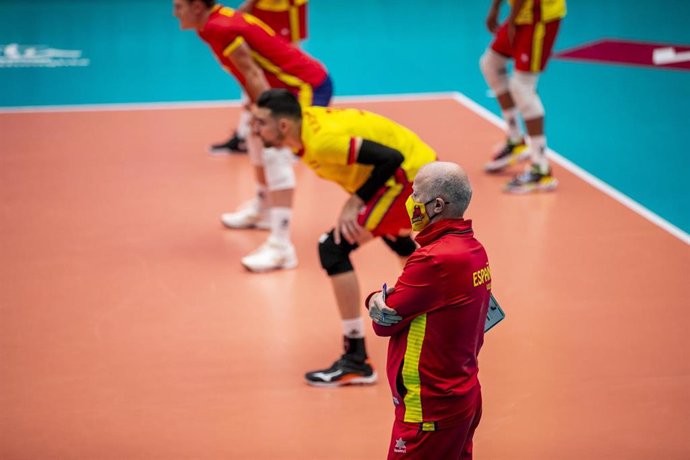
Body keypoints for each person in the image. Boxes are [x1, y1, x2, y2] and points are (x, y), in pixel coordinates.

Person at [252, 89, 437, 386]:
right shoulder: (304, 130)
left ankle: (356, 359)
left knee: (333, 249)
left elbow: (391, 158)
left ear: (283, 126)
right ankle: (445, 311)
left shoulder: (321, 142)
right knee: (395, 237)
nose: (255, 130)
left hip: (408, 178)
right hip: (414, 168)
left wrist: (356, 201)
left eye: (260, 123)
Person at [173, 0, 332, 272]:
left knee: (275, 155)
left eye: (178, 6)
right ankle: (264, 208)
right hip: (278, 86)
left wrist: (264, 113)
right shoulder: (210, 23)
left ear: (197, 6)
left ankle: (282, 247)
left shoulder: (218, 28)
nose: (174, 13)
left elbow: (252, 71)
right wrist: (252, 101)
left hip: (304, 87)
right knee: (254, 139)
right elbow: (245, 69)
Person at [366, 161, 489, 459]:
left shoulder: (434, 260)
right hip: (463, 395)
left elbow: (384, 323)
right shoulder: (474, 250)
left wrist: (372, 299)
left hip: (429, 411)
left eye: (416, 193)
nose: (410, 201)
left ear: (436, 205)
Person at [480, 0, 566, 193]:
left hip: (539, 16)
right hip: (521, 13)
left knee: (522, 87)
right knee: (491, 65)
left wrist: (511, 19)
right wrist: (496, 7)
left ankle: (541, 169)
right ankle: (516, 140)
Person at [210, 0, 309, 154]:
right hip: (262, 12)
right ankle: (244, 135)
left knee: (286, 82)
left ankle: (296, 140)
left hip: (286, 11)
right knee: (250, 80)